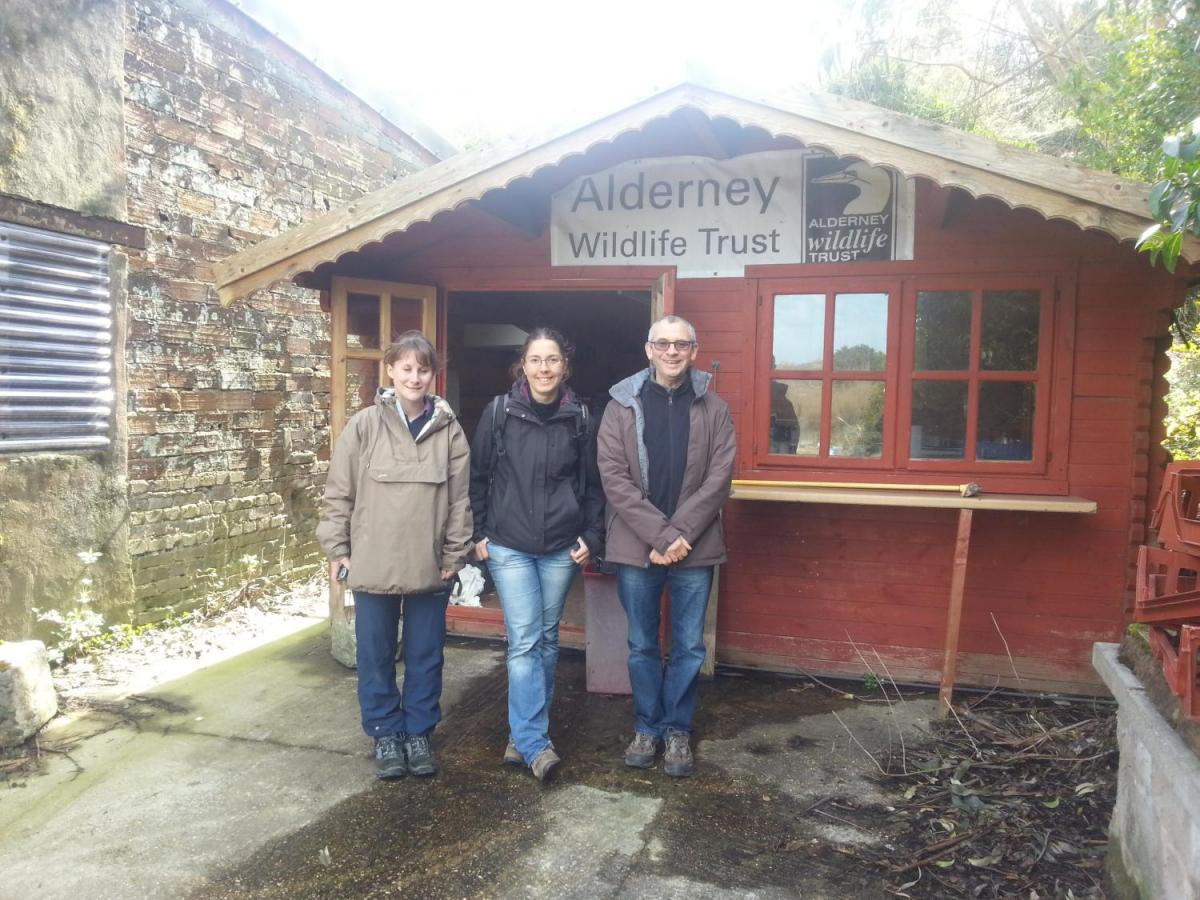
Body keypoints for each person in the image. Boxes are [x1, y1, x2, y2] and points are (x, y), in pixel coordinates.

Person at [317, 331, 472, 780]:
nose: (414, 377)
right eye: (406, 368)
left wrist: (454, 554)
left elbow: (460, 501)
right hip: (372, 561)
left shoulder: (450, 430)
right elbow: (338, 492)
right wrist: (338, 549)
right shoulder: (365, 425)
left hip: (429, 563)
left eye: (423, 369)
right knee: (376, 654)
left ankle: (419, 732)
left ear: (433, 374)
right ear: (390, 370)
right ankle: (386, 732)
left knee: (426, 654)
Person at [596, 314, 736, 777]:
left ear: (694, 351)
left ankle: (677, 730)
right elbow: (614, 478)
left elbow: (719, 479)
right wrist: (660, 536)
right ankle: (647, 726)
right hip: (639, 546)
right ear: (648, 350)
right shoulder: (621, 406)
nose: (672, 352)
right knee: (641, 644)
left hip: (694, 546)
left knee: (690, 646)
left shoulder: (714, 408)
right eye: (663, 344)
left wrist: (679, 536)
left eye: (681, 345)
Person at [470, 327, 604, 782]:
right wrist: (478, 531)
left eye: (552, 360)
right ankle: (532, 742)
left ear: (564, 366)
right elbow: (479, 476)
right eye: (535, 360)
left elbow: (593, 486)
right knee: (525, 641)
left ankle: (523, 736)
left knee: (546, 639)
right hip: (508, 543)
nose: (544, 368)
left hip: (560, 547)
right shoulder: (500, 412)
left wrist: (592, 534)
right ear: (522, 367)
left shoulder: (581, 417)